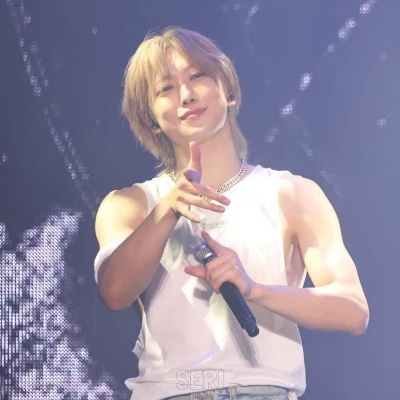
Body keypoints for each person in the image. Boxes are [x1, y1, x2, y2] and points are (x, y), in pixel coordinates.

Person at [94, 27, 369, 400]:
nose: (187, 95)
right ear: (151, 120)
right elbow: (114, 292)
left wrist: (254, 289)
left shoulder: (291, 193)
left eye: (197, 76)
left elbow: (352, 310)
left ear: (228, 90)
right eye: (166, 89)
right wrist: (167, 210)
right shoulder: (130, 204)